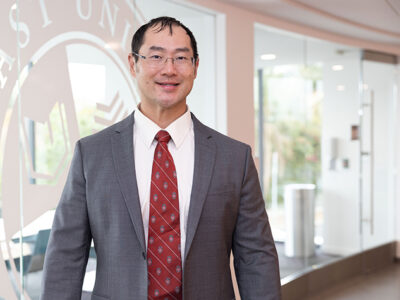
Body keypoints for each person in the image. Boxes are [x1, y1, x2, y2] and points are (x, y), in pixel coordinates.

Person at [41, 16, 281, 300]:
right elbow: (65, 256)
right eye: (156, 56)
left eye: (181, 58)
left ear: (195, 67)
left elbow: (256, 257)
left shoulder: (234, 158)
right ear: (133, 64)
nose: (169, 69)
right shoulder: (91, 154)